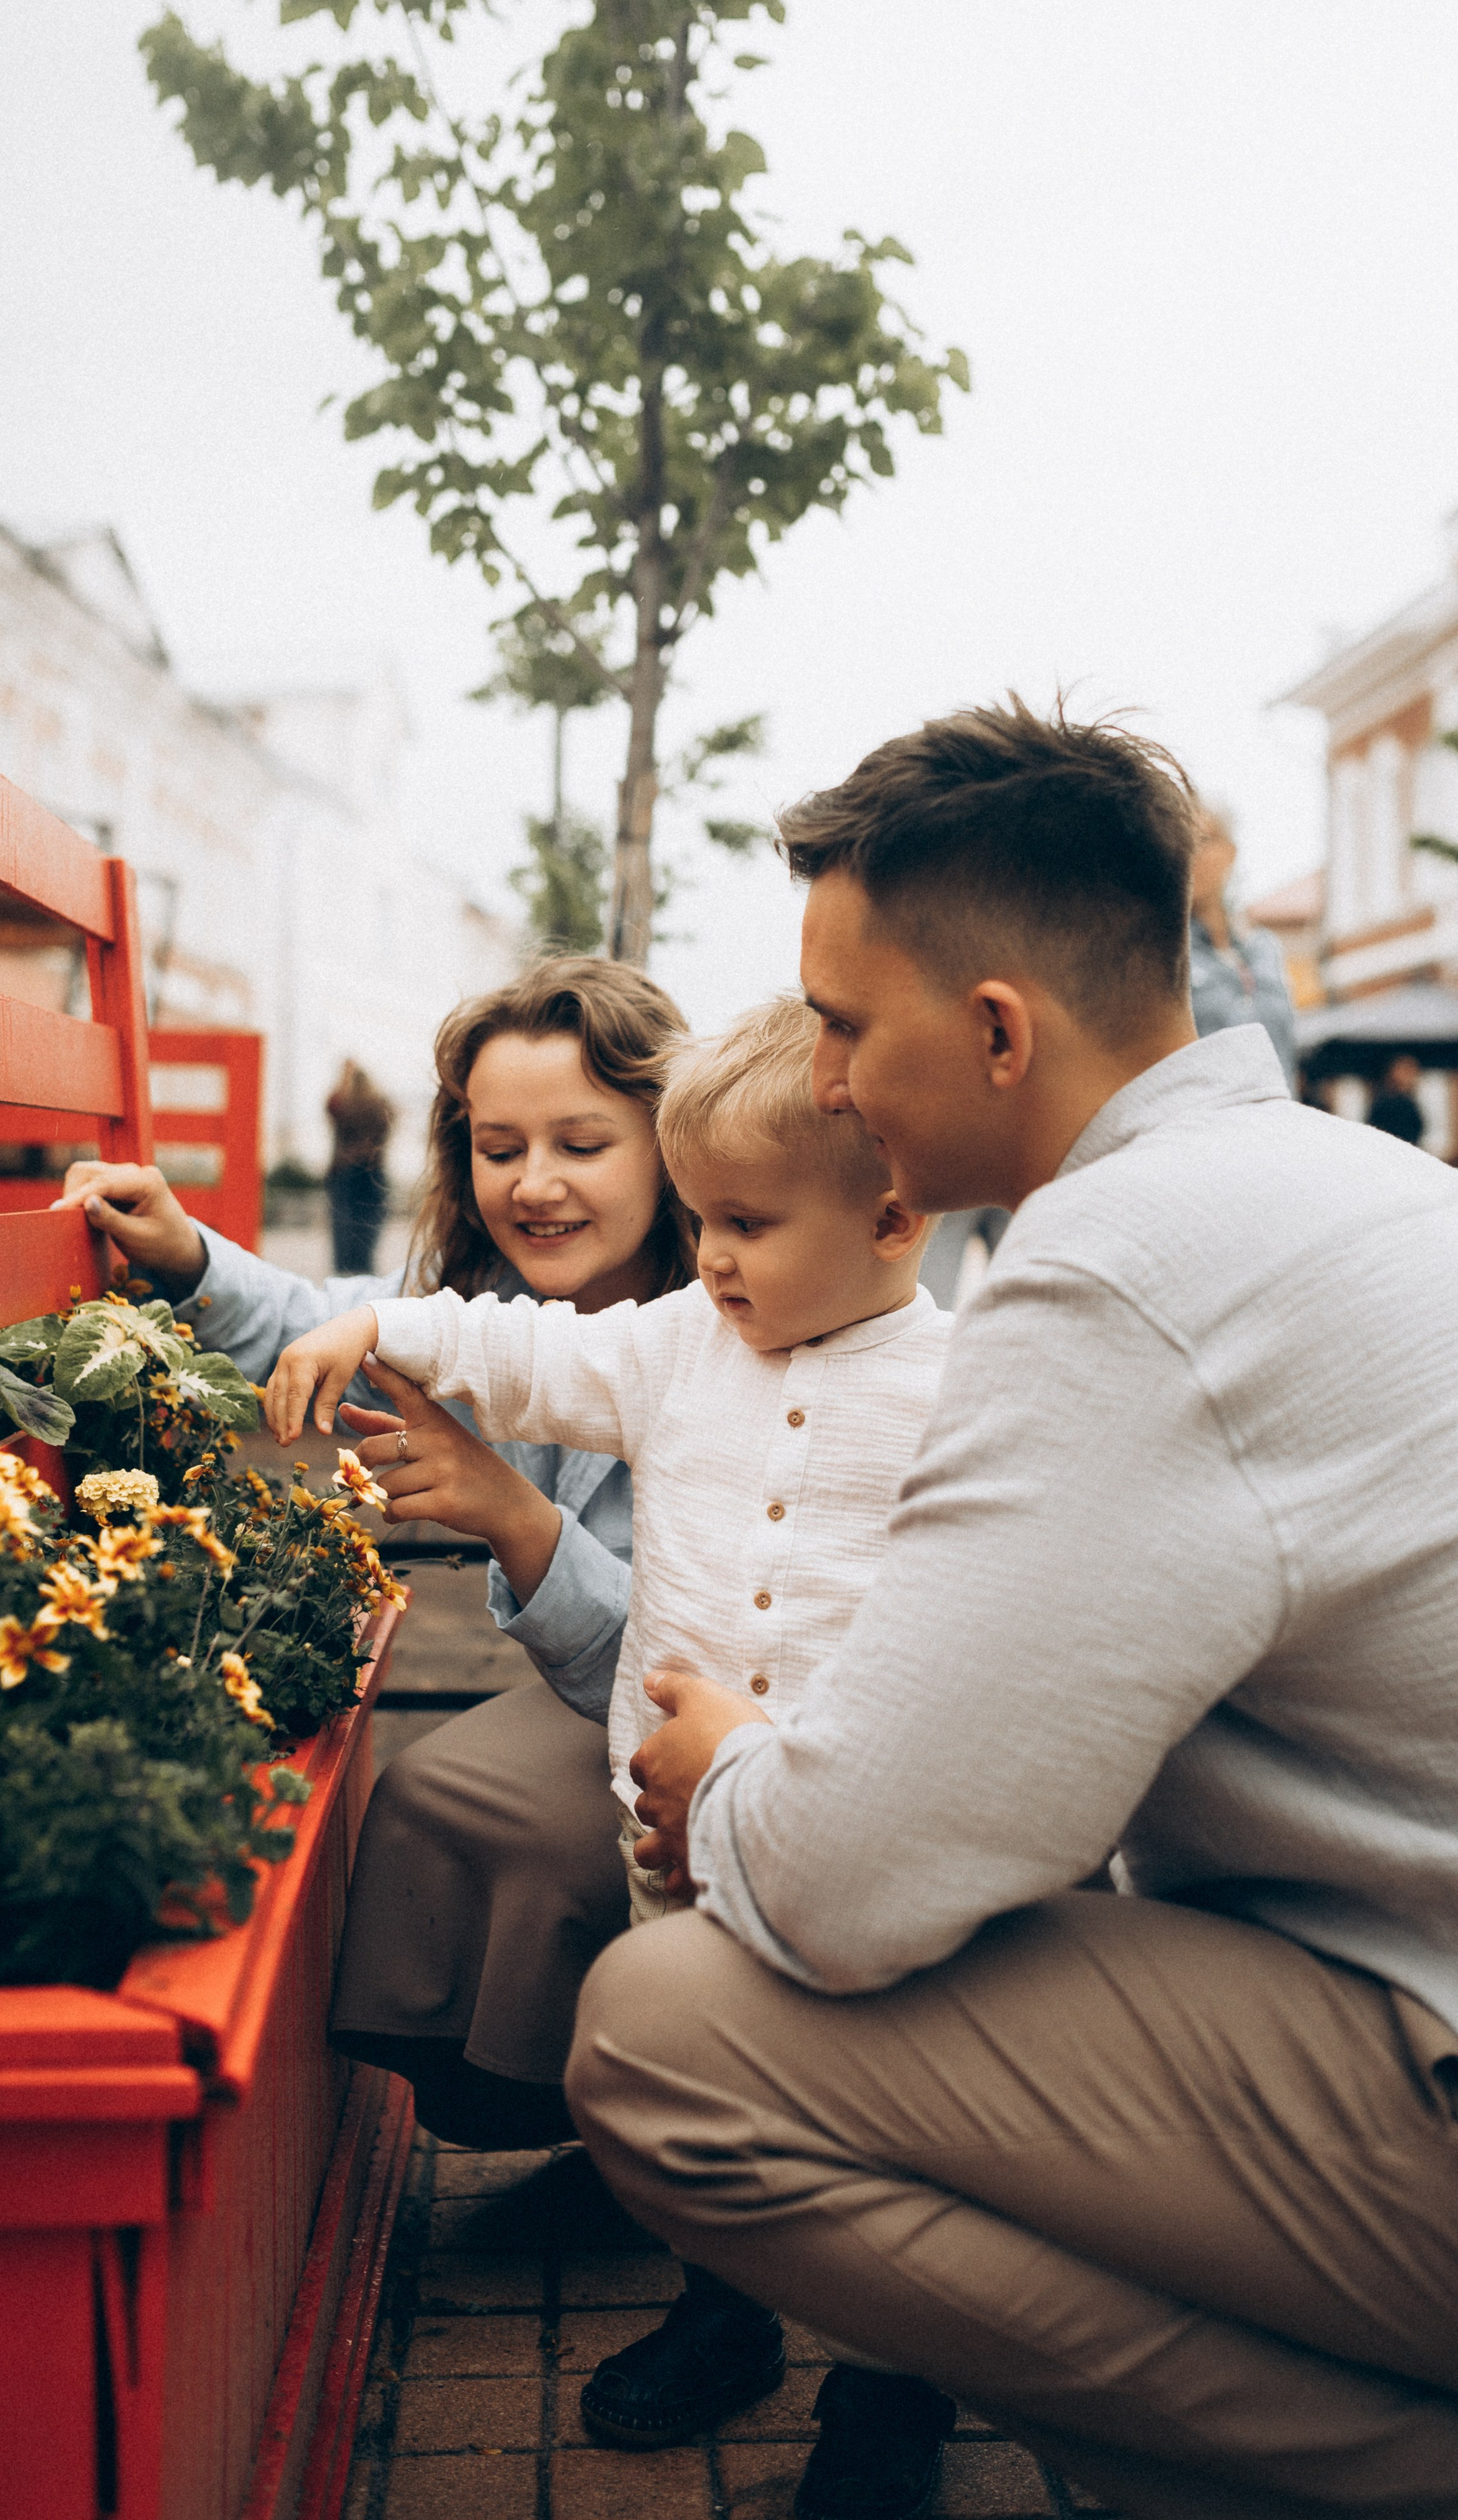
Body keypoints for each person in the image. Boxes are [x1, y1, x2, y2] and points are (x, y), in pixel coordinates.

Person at [565, 701, 1458, 2520]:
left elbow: (849, 1882)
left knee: (662, 2028)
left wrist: (728, 1767)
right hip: (1396, 1978)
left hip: (1424, 2054)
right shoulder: (1356, 1178)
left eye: (840, 1023)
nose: (823, 1082)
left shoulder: (1116, 1266)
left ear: (993, 1032)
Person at [55, 960, 793, 2437]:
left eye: (580, 1143)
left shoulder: (734, 1314)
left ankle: (712, 2199)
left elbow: (666, 1668)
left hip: (740, 1729)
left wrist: (509, 1518)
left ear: (672, 1138)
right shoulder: (526, 1302)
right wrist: (190, 1255)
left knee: (509, 1816)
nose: (531, 1183)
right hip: (615, 1695)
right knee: (444, 1794)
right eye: (495, 1143)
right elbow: (347, 1328)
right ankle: (619, 2126)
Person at [266, 996, 950, 2451]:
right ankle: (719, 2309)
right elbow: (513, 1354)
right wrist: (375, 1322)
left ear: (892, 1218)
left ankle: (890, 2379)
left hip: (859, 1828)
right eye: (699, 1219)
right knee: (702, 2081)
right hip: (669, 1830)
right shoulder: (674, 1345)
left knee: (884, 2109)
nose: (707, 1258)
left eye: (745, 1226)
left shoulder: (963, 1391)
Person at [1187, 798, 1299, 1085]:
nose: (1191, 854)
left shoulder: (1262, 948)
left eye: (1203, 840)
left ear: (1230, 852)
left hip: (1276, 1120)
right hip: (1208, 1121)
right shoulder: (1166, 951)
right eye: (1180, 841)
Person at [325, 1059, 395, 1272]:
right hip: (373, 1171)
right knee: (368, 1232)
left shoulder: (344, 1105)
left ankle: (345, 1279)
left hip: (344, 1172)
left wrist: (344, 1076)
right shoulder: (380, 1104)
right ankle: (365, 1276)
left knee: (343, 1231)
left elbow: (331, 1106)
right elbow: (392, 1120)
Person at [1370, 1053, 1427, 1145]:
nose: (1412, 1075)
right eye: (1406, 1070)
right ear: (1392, 1073)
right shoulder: (1389, 1105)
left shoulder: (1413, 1100)